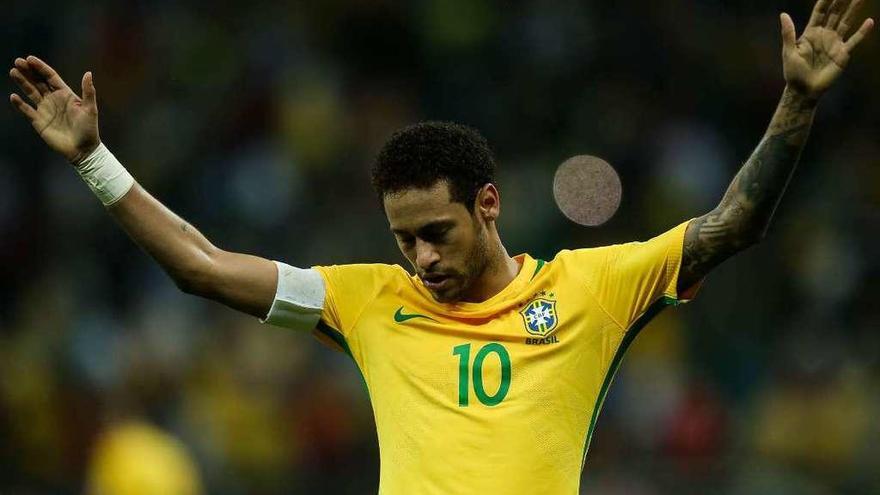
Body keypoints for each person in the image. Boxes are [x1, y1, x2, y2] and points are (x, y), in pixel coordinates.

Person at [8, 1, 873, 493]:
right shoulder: (365, 300)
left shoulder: (593, 287)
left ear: (489, 205)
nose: (419, 257)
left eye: (436, 233)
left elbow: (733, 223)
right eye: (402, 239)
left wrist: (795, 106)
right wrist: (92, 160)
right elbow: (198, 265)